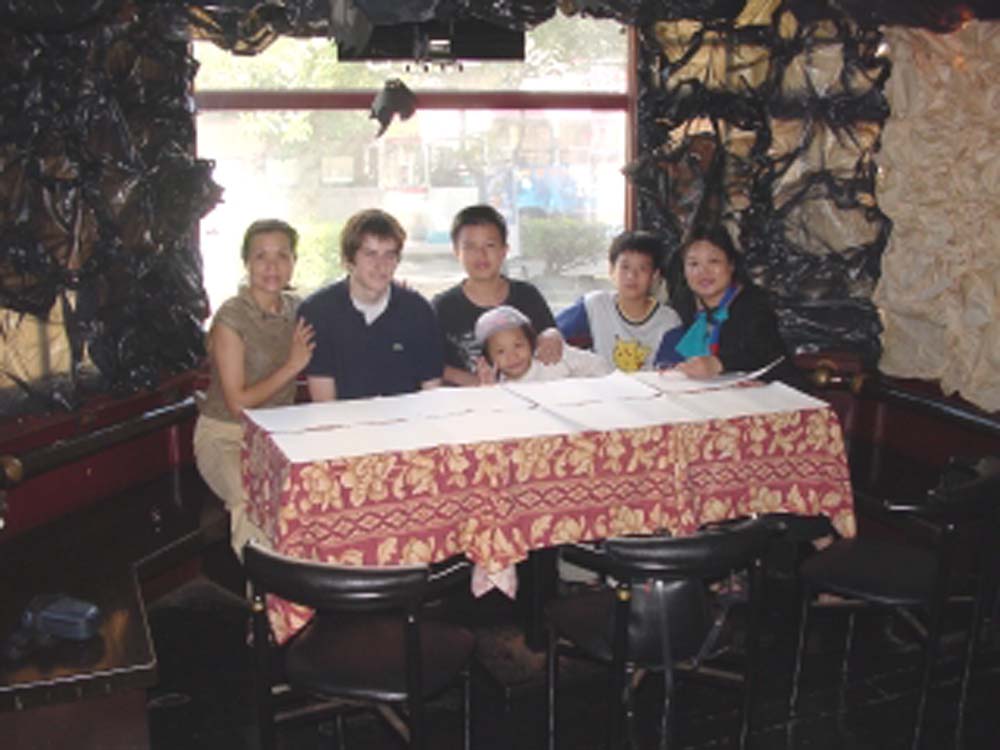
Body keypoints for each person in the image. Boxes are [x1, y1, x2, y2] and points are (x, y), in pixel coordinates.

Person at [193, 219, 315, 557]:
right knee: (251, 498)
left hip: (278, 437)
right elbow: (238, 404)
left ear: (294, 261)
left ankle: (306, 577)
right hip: (227, 434)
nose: (272, 267)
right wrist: (292, 366)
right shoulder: (231, 318)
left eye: (282, 256)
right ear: (246, 262)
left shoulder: (297, 309)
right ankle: (263, 586)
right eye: (261, 256)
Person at [298, 208, 443, 401]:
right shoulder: (318, 312)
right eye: (370, 254)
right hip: (342, 417)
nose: (381, 265)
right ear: (349, 260)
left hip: (407, 418)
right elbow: (325, 404)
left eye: (389, 255)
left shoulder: (418, 311)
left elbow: (431, 392)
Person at [433, 204, 563, 386]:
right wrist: (475, 383)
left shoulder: (527, 295)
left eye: (490, 245)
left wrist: (552, 335)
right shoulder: (442, 307)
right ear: (456, 252)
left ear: (504, 250)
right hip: (465, 399)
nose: (481, 254)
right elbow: (428, 362)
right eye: (470, 247)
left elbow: (549, 335)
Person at [655, 225, 789, 379]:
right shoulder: (683, 304)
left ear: (731, 265)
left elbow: (767, 359)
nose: (703, 272)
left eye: (713, 261)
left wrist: (719, 363)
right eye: (693, 264)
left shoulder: (754, 306)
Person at [556, 230, 681, 372]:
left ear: (654, 276)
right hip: (602, 384)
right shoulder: (595, 305)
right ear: (611, 270)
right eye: (625, 267)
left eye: (642, 269)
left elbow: (669, 372)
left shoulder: (668, 321)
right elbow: (553, 329)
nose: (631, 275)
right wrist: (550, 334)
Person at [474, 305, 611, 383]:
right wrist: (489, 389)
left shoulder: (551, 358)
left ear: (531, 343)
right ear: (489, 358)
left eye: (518, 345)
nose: (512, 356)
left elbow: (599, 364)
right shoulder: (501, 383)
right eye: (501, 351)